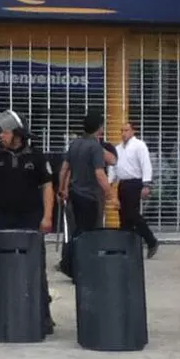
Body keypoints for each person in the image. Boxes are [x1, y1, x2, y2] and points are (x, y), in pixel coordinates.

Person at [0, 110, 55, 334]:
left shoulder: (37, 157)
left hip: (30, 219)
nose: (0, 136)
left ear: (18, 133)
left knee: (35, 267)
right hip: (0, 219)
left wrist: (48, 217)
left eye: (5, 131)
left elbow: (48, 187)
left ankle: (42, 316)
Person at [58, 112, 116, 280]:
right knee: (89, 234)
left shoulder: (74, 144)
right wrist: (111, 194)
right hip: (90, 196)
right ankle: (80, 268)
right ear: (99, 127)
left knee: (77, 232)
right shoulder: (95, 147)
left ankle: (71, 264)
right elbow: (100, 173)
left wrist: (61, 189)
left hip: (74, 194)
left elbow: (64, 169)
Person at [114, 121, 159, 258]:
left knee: (132, 214)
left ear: (133, 131)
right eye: (122, 130)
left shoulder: (139, 145)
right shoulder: (118, 148)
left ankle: (151, 240)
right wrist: (109, 183)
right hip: (123, 183)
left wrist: (146, 184)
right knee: (123, 216)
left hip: (135, 182)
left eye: (127, 130)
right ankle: (125, 246)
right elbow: (114, 167)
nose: (124, 133)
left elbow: (146, 164)